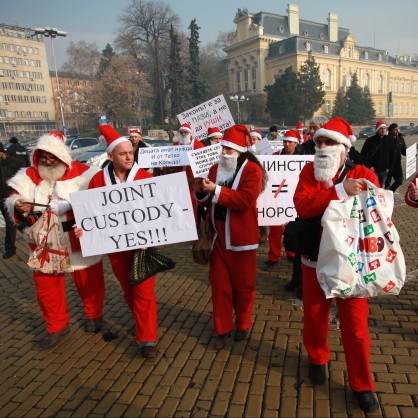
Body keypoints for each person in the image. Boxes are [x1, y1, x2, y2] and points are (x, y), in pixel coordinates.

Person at [294, 117, 379, 413]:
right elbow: (303, 206)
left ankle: (362, 384)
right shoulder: (309, 171)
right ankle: (317, 359)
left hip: (352, 265)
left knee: (356, 327)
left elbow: (377, 214)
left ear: (344, 147)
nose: (321, 147)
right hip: (314, 259)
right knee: (314, 317)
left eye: (328, 142)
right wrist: (340, 191)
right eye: (318, 141)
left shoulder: (364, 173)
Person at [5, 131, 105, 348]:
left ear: (61, 156)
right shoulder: (29, 175)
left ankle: (94, 315)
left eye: (52, 157)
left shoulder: (86, 173)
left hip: (78, 238)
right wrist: (18, 204)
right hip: (44, 242)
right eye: (44, 157)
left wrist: (72, 205)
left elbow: (100, 200)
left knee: (90, 280)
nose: (48, 162)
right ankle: (56, 325)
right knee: (46, 287)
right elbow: (13, 197)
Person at [82, 124, 158, 359]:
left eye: (130, 152)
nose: (129, 156)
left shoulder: (144, 177)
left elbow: (160, 211)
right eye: (123, 153)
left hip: (143, 246)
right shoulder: (97, 180)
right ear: (110, 156)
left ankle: (147, 339)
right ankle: (141, 321)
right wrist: (83, 228)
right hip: (115, 247)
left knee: (144, 291)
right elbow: (90, 212)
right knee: (128, 290)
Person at [193, 124, 267, 350]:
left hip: (241, 240)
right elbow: (206, 198)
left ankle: (243, 322)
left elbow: (244, 201)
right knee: (219, 285)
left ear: (240, 151)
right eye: (223, 148)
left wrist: (215, 190)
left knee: (244, 286)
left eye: (229, 149)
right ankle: (222, 330)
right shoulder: (216, 168)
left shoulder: (253, 171)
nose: (224, 153)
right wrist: (201, 192)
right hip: (217, 238)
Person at [264, 130, 303, 269]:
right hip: (277, 197)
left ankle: (291, 253)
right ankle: (273, 256)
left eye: (290, 142)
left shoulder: (302, 158)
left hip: (293, 198)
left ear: (296, 143)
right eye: (285, 141)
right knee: (275, 230)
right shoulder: (275, 156)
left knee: (291, 230)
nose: (287, 144)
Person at [0, 137, 29, 258]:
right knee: (16, 222)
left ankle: (10, 249)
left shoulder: (12, 161)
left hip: (7, 197)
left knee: (11, 222)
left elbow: (24, 167)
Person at [360, 121, 395, 187]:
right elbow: (363, 154)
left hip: (385, 170)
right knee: (374, 187)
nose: (383, 130)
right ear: (377, 129)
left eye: (384, 128)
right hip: (373, 170)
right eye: (381, 128)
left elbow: (393, 155)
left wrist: (390, 167)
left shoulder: (389, 139)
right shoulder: (370, 140)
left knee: (382, 188)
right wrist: (369, 166)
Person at [385, 123, 407, 192]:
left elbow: (404, 151)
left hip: (397, 165)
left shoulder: (401, 139)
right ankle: (386, 194)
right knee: (387, 183)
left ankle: (391, 191)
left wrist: (411, 153)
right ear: (391, 131)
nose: (397, 131)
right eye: (395, 129)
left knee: (399, 180)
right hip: (387, 165)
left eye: (398, 129)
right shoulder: (386, 139)